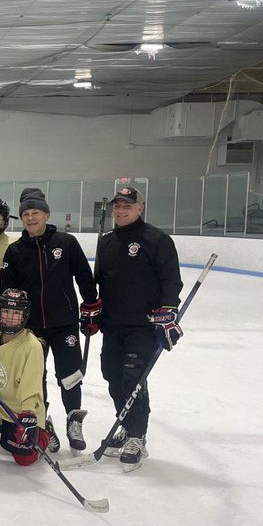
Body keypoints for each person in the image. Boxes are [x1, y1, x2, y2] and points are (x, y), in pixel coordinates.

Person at [90, 185, 183, 471]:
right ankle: (127, 424)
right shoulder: (106, 242)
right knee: (112, 376)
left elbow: (171, 280)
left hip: (143, 326)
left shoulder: (156, 240)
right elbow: (101, 282)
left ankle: (136, 436)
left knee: (133, 378)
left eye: (128, 205)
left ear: (140, 207)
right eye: (118, 205)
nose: (121, 210)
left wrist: (168, 310)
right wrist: (94, 310)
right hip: (113, 325)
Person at [0, 187, 98, 453]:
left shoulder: (66, 243)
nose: (31, 218)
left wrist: (91, 307)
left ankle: (73, 419)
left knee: (70, 375)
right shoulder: (15, 251)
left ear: (46, 215)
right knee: (35, 379)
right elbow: (6, 291)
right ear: (21, 219)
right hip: (30, 330)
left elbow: (84, 277)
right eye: (26, 214)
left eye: (36, 213)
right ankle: (43, 422)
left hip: (64, 323)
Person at [0, 288, 51, 468]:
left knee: (24, 459)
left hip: (17, 411)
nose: (10, 317)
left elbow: (32, 388)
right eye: (6, 311)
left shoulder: (32, 347)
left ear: (24, 316)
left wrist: (28, 416)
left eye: (16, 313)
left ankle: (46, 432)